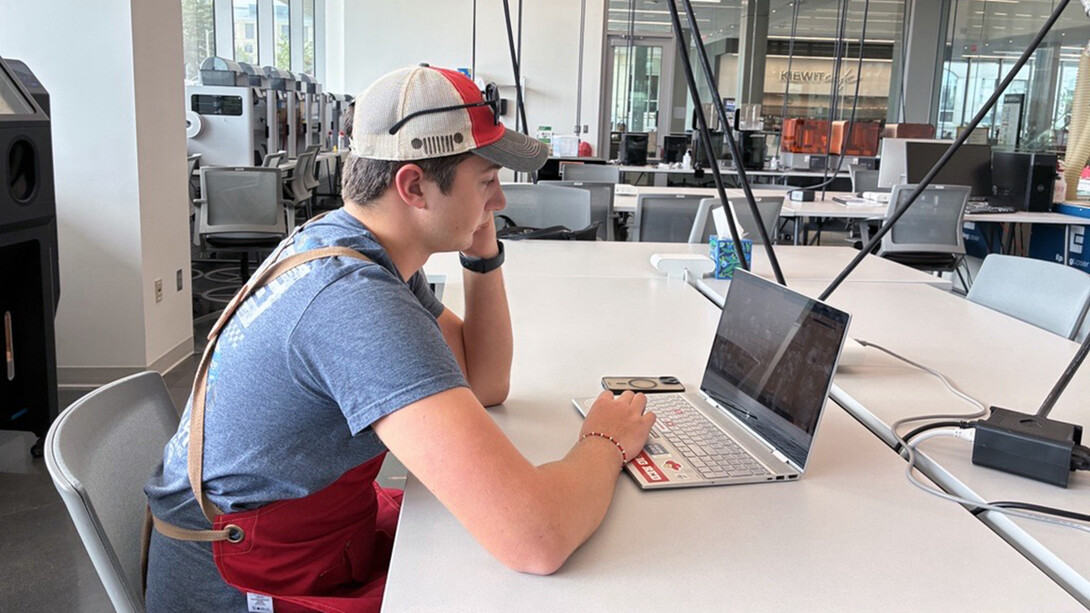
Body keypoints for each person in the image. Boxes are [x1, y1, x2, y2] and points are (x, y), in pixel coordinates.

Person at [144, 64, 656, 612]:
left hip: (314, 545)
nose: (501, 202)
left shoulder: (352, 245)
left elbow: (483, 381)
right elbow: (536, 538)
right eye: (487, 181)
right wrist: (606, 444)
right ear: (413, 186)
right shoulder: (353, 302)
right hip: (244, 589)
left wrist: (481, 252)